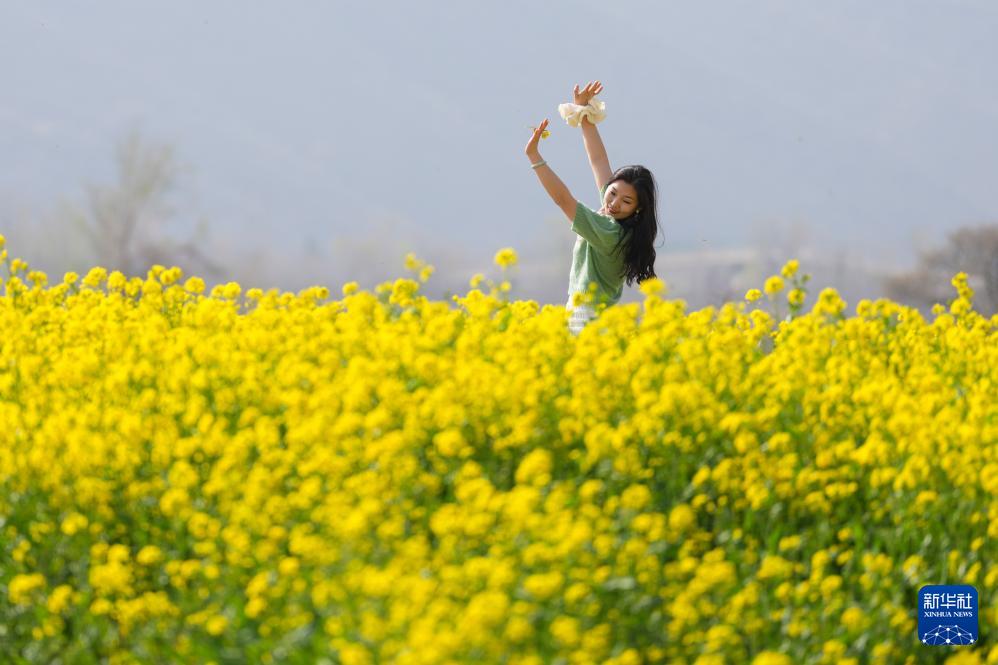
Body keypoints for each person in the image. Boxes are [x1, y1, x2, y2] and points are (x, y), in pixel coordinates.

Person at [524, 80, 660, 335]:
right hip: (600, 317)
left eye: (626, 201)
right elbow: (598, 160)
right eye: (613, 193)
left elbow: (563, 199)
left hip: (586, 317)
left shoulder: (609, 231)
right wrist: (583, 112)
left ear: (638, 209)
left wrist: (534, 157)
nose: (614, 203)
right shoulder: (619, 222)